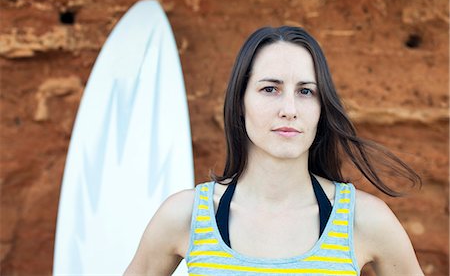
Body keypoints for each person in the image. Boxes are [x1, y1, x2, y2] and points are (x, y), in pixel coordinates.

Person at [124, 26, 424, 275]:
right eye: (270, 89)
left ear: (322, 108)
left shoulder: (364, 219)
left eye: (306, 91)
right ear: (240, 103)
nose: (289, 110)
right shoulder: (186, 215)